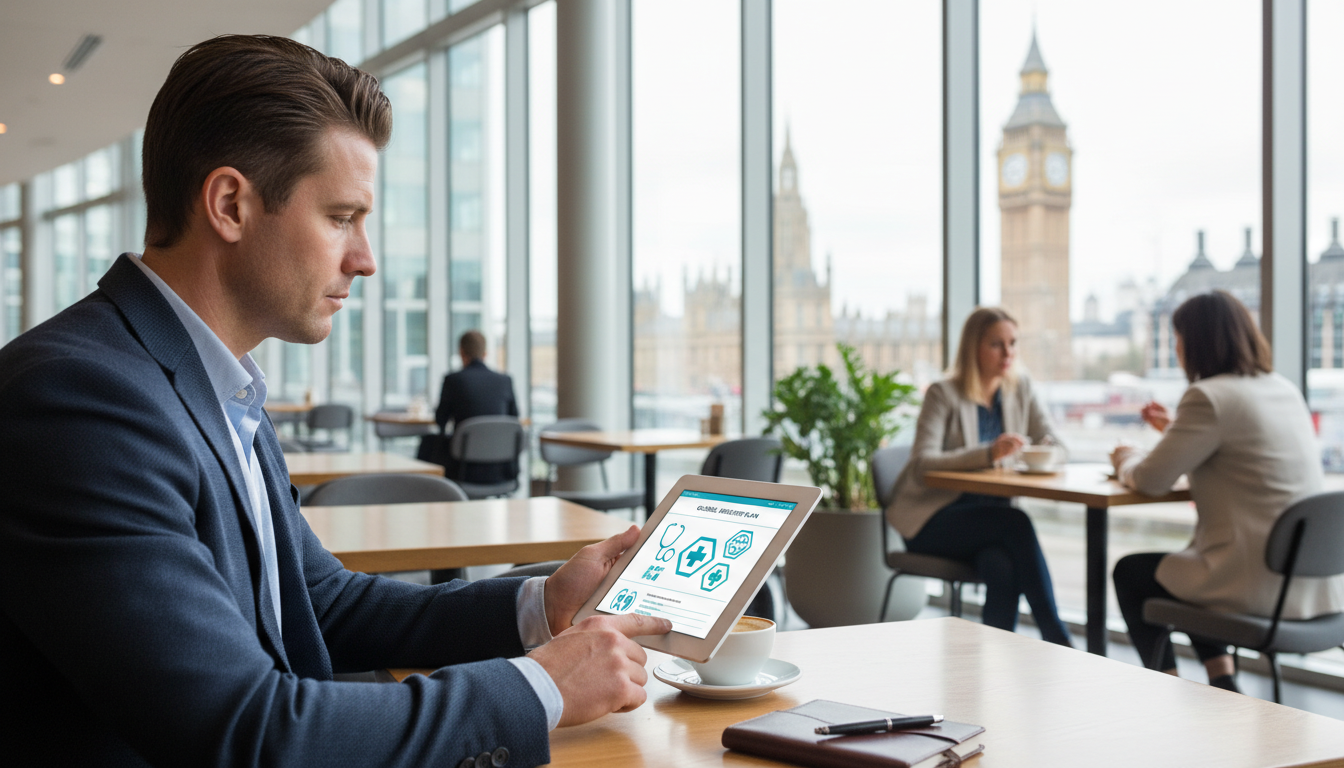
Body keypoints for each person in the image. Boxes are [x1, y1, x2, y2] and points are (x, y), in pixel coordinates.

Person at [0, 35, 670, 767]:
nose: (366, 258)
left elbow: (322, 604)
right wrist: (540, 687)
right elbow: (244, 731)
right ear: (229, 204)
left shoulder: (214, 381)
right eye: (341, 217)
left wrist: (542, 606)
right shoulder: (78, 400)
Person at [1110, 290, 1344, 692]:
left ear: (1196, 342)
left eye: (1178, 338)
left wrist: (1124, 457)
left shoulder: (1208, 397)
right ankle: (1223, 683)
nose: (1177, 348)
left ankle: (1165, 691)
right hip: (1312, 587)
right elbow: (1239, 451)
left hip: (1255, 586)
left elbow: (1150, 479)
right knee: (1190, 566)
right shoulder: (1282, 388)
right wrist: (1176, 431)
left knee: (1132, 573)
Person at [886, 306, 1072, 645]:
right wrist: (989, 452)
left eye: (1013, 343)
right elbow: (922, 463)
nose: (1008, 353)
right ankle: (1057, 640)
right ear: (974, 347)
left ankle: (990, 664)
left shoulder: (1020, 389)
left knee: (1001, 564)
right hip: (934, 519)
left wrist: (1043, 452)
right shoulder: (944, 394)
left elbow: (1058, 445)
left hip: (989, 523)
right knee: (1015, 523)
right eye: (997, 344)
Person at [430, 329, 520, 484]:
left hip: (463, 469)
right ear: (485, 353)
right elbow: (514, 418)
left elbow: (440, 421)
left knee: (429, 444)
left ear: (461, 352)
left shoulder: (453, 380)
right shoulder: (505, 380)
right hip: (501, 470)